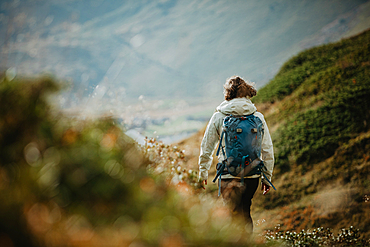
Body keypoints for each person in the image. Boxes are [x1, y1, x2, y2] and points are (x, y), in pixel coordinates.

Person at [198, 75, 274, 233]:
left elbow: (207, 146)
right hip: (252, 175)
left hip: (228, 174)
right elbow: (267, 149)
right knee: (245, 211)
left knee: (230, 214)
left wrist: (203, 172)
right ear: (247, 92)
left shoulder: (219, 116)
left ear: (228, 94)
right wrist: (267, 177)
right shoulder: (257, 117)